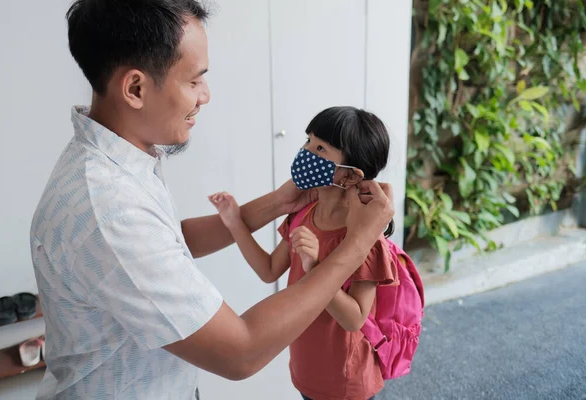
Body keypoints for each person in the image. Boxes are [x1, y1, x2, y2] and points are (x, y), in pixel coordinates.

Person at [29, 1, 394, 399]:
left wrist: (274, 204)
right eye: (193, 81)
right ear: (135, 88)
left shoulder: (122, 159)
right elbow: (241, 352)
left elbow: (168, 242)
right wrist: (357, 241)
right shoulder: (109, 208)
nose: (205, 96)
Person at [210, 107, 396, 400]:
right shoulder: (304, 214)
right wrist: (235, 222)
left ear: (349, 177)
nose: (306, 152)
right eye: (308, 141)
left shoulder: (365, 237)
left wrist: (315, 268)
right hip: (307, 368)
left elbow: (356, 319)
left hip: (345, 383)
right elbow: (268, 269)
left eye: (320, 148)